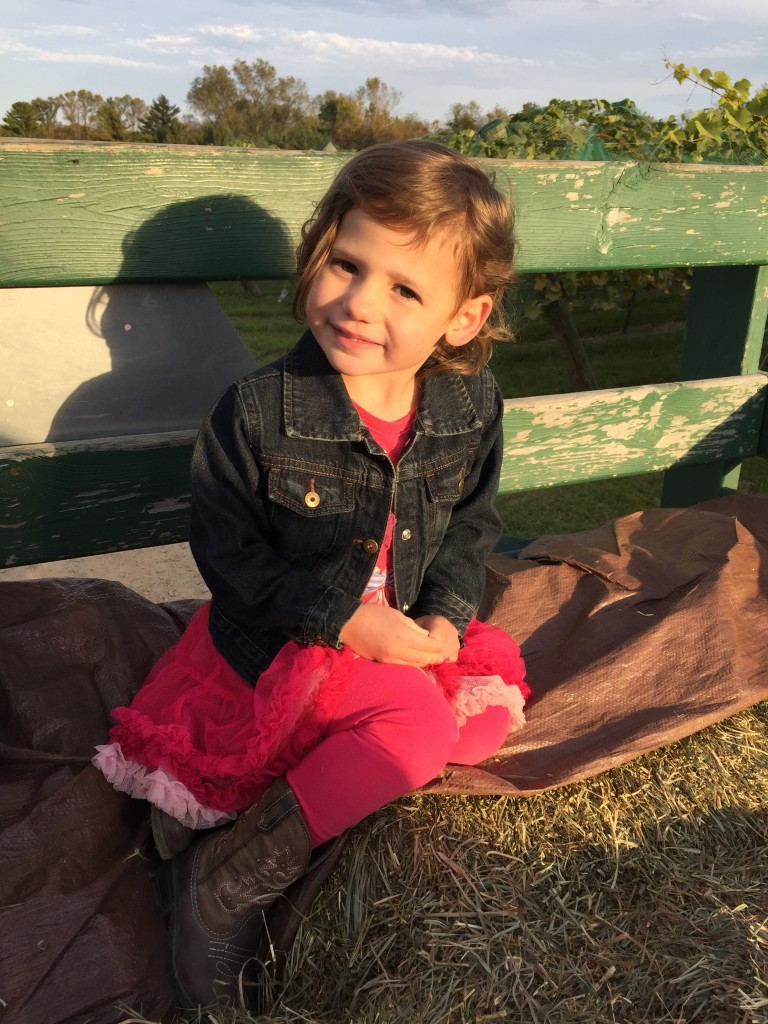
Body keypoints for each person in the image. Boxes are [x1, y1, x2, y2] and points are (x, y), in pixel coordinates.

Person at [93, 139, 530, 1011]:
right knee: (412, 734)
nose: (361, 303)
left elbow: (469, 526)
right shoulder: (257, 412)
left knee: (477, 728)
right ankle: (221, 888)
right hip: (282, 638)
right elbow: (230, 559)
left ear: (465, 318)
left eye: (405, 289)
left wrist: (445, 613)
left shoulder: (469, 406)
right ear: (318, 251)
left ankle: (246, 810)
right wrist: (341, 622)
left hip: (394, 627)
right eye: (346, 263)